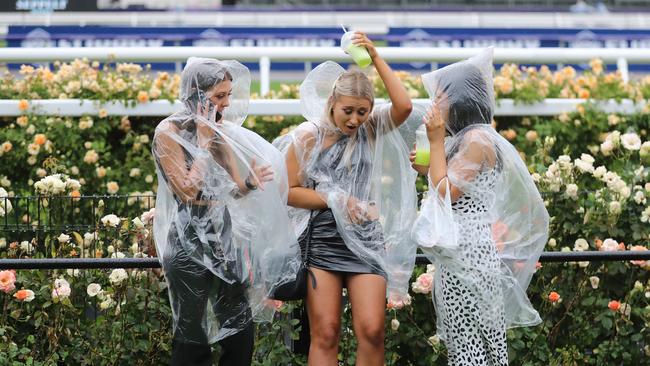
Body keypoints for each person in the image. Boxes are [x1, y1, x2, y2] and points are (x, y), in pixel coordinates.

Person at [274, 32, 418, 365]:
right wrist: (336, 200)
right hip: (323, 240)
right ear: (332, 104)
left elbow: (405, 106)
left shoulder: (372, 128)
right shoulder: (308, 136)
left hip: (366, 238)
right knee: (325, 331)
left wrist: (375, 57)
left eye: (363, 111)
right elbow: (287, 191)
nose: (355, 119)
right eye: (348, 111)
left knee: (371, 330)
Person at [152, 57, 300, 366]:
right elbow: (187, 191)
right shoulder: (168, 131)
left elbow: (234, 187)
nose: (226, 104)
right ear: (197, 93)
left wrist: (250, 179)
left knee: (239, 329)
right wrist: (204, 144)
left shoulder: (216, 130)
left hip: (223, 236)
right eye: (219, 96)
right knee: (192, 335)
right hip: (187, 241)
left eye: (229, 95)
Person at [411, 48, 549, 365]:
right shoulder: (472, 138)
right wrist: (428, 167)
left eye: (440, 96)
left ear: (459, 100)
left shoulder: (476, 140)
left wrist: (434, 142)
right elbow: (453, 185)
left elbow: (447, 193)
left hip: (468, 256)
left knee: (471, 346)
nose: (434, 104)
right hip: (465, 254)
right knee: (470, 342)